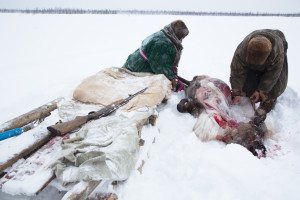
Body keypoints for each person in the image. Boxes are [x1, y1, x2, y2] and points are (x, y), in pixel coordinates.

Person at [230, 29, 288, 121]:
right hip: (253, 56)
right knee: (247, 84)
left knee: (276, 86)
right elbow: (237, 72)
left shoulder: (277, 53)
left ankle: (266, 104)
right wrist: (237, 92)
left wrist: (261, 91)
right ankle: (249, 100)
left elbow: (272, 75)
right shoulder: (242, 51)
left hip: (278, 43)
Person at [122, 20, 189, 92]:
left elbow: (165, 60)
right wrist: (173, 81)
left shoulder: (165, 35)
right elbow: (160, 67)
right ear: (177, 34)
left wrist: (172, 71)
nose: (182, 39)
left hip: (135, 62)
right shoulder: (162, 43)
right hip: (136, 69)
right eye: (182, 37)